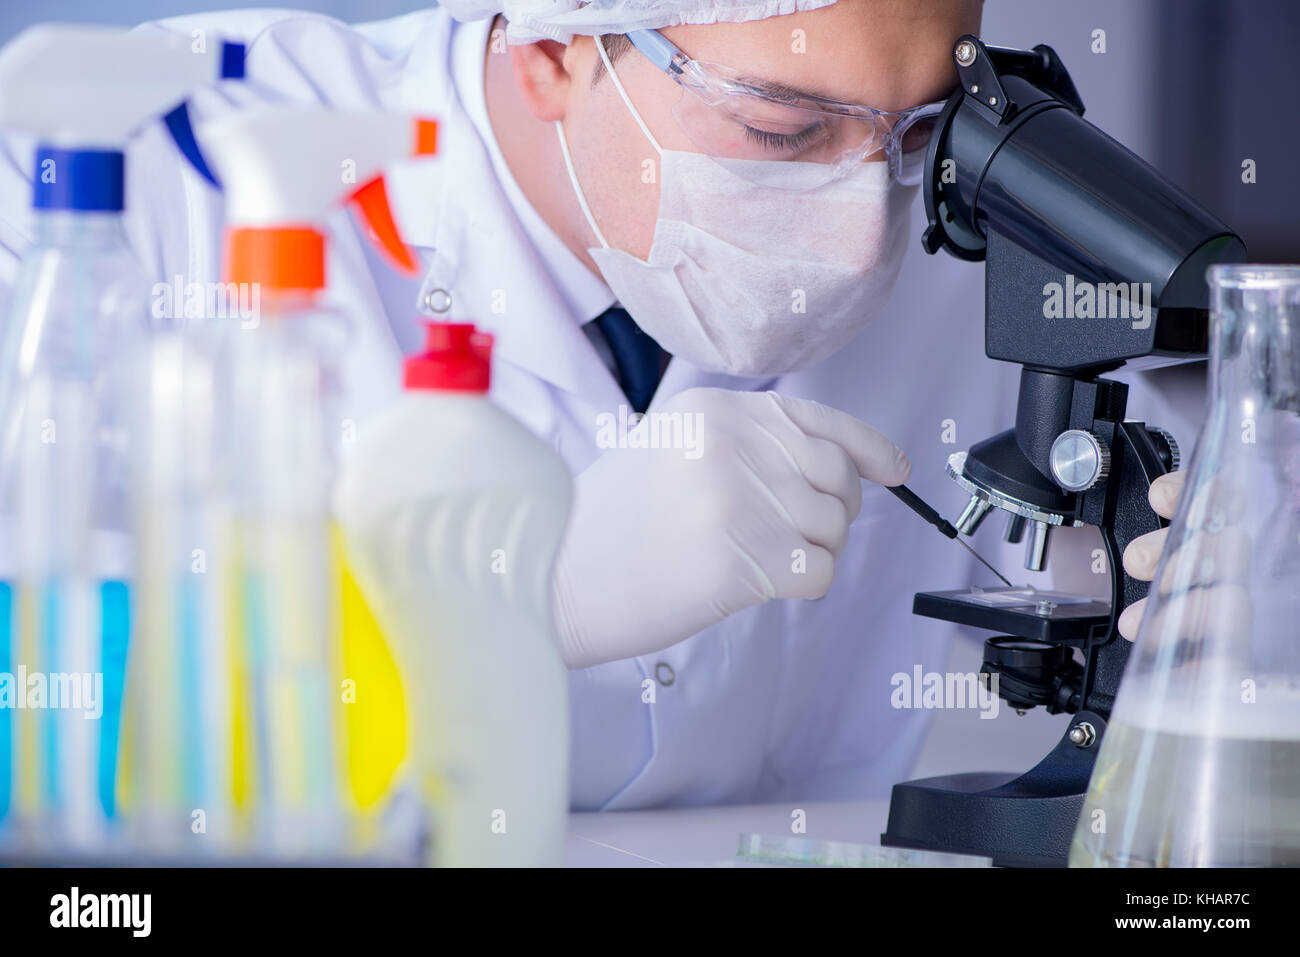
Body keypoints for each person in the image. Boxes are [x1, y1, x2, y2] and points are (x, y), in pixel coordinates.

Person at [0, 0, 1177, 810]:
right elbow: (35, 718)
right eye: (780, 128)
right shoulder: (112, 165)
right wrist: (501, 604)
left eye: (920, 131)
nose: (863, 224)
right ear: (549, 50)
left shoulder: (948, 229)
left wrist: (1191, 569)